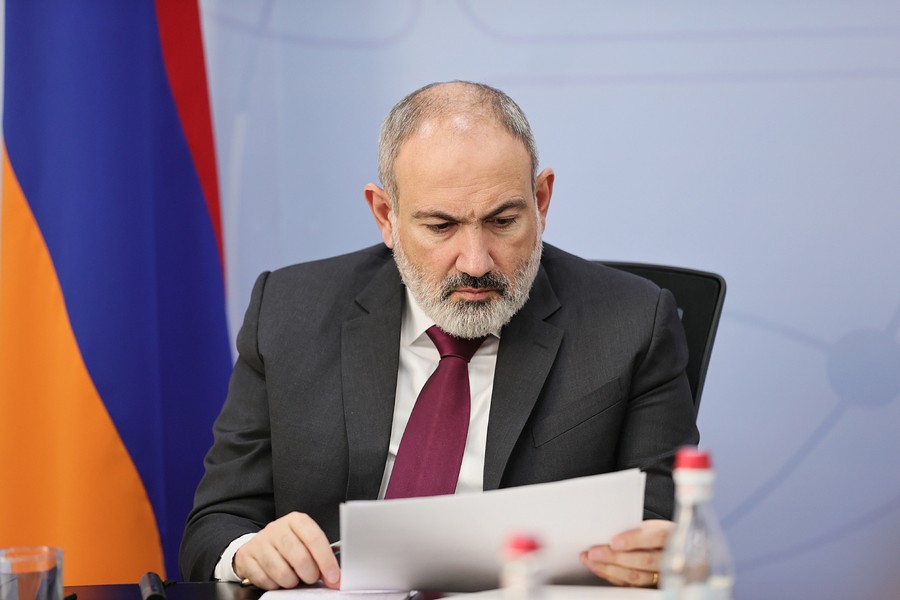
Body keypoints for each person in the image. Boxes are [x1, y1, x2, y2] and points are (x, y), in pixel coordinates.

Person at [179, 81, 699, 590]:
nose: (475, 263)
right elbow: (216, 525)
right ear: (386, 215)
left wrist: (660, 559)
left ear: (540, 201)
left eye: (503, 221)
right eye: (441, 226)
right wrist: (248, 552)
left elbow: (661, 528)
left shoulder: (633, 323)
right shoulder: (289, 311)